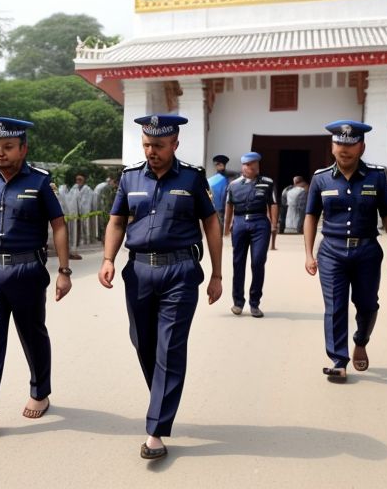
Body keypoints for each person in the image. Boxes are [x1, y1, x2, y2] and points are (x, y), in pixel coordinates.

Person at [98, 114, 222, 460]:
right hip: (138, 271)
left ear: (175, 145)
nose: (152, 151)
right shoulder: (130, 177)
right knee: (143, 342)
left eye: (159, 145)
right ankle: (162, 396)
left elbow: (211, 223)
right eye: (147, 144)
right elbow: (117, 221)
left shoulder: (193, 178)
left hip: (180, 271)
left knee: (170, 347)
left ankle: (156, 429)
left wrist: (216, 273)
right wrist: (108, 259)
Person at [0, 117, 72, 433]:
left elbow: (58, 225)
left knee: (32, 334)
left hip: (26, 271)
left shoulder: (40, 182)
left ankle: (39, 392)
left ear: (23, 148)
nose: (0, 153)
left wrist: (64, 271)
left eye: (7, 147)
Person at [304, 120, 387, 383]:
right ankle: (338, 359)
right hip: (331, 252)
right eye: (339, 144)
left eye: (350, 144)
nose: (344, 149)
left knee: (367, 304)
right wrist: (309, 253)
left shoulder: (377, 176)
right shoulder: (320, 178)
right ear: (332, 146)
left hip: (367, 251)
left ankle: (361, 340)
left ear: (361, 147)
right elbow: (311, 215)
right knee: (334, 306)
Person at [223, 152, 278, 318]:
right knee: (238, 262)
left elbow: (273, 203)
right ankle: (238, 302)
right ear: (242, 167)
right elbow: (229, 206)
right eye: (247, 165)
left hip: (260, 222)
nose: (250, 167)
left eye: (253, 164)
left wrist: (274, 224)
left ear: (258, 166)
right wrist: (226, 227)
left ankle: (255, 303)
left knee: (258, 261)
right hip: (239, 223)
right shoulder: (233, 185)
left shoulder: (267, 183)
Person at [207, 155, 230, 229]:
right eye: (217, 164)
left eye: (219, 164)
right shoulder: (213, 179)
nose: (217, 166)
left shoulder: (229, 178)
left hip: (224, 207)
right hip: (217, 208)